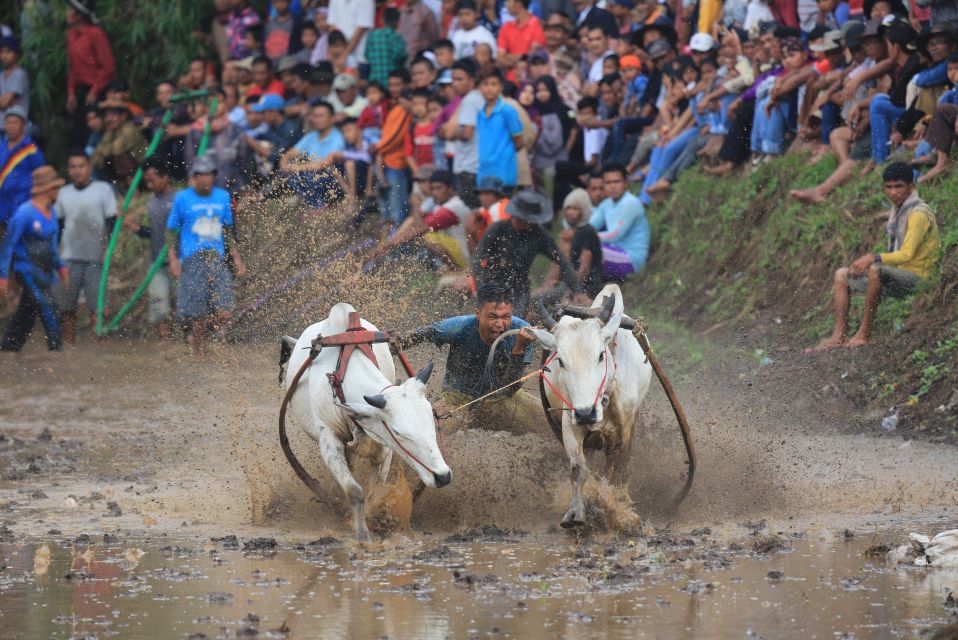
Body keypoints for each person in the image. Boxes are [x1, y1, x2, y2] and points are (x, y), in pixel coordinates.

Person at [391, 281, 548, 436]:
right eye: (493, 317)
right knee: (428, 435)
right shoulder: (458, 327)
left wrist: (518, 349)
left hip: (501, 400)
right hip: (457, 399)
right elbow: (418, 336)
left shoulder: (523, 334)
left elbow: (510, 389)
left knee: (552, 423)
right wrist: (391, 343)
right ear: (478, 314)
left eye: (505, 317)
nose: (500, 324)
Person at [814, 162, 940, 351]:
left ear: (911, 187)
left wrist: (874, 257)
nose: (893, 192)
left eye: (899, 186)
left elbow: (907, 254)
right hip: (898, 276)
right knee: (842, 274)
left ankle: (863, 333)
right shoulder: (898, 209)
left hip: (919, 278)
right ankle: (839, 336)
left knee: (875, 269)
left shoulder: (918, 213)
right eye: (888, 187)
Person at [165, 155, 247, 357]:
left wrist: (237, 259)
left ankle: (199, 337)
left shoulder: (223, 197)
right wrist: (173, 260)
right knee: (197, 313)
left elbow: (228, 231)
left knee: (225, 312)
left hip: (216, 257)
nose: (204, 179)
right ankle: (199, 353)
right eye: (200, 175)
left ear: (213, 176)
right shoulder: (183, 198)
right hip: (192, 258)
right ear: (194, 177)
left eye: (208, 175)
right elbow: (170, 231)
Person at [474, 189, 578, 316]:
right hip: (492, 282)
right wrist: (481, 288)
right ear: (518, 216)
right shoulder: (497, 230)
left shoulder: (538, 235)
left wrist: (578, 291)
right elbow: (477, 259)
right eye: (529, 220)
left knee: (515, 320)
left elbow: (563, 263)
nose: (532, 224)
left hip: (519, 288)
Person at [0, 166, 67, 352]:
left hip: (45, 271)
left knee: (26, 315)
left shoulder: (51, 213)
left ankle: (8, 350)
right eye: (56, 187)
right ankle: (57, 353)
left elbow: (51, 246)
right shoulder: (24, 213)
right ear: (47, 189)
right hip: (26, 270)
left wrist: (61, 267)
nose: (58, 191)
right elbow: (8, 245)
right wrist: (3, 276)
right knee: (50, 309)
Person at [54, 150, 117, 346]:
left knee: (99, 307)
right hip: (69, 257)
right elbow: (58, 225)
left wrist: (110, 248)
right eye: (73, 167)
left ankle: (99, 349)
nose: (77, 170)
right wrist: (55, 253)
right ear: (68, 170)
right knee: (67, 307)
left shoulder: (103, 190)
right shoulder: (63, 193)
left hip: (95, 257)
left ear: (89, 167)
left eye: (81, 166)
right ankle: (70, 350)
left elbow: (111, 222)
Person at [367, 169, 472, 268]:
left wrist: (386, 246)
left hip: (465, 255)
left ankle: (457, 270)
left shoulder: (453, 207)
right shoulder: (441, 204)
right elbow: (415, 220)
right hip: (459, 250)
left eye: (439, 188)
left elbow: (419, 229)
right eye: (433, 189)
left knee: (429, 236)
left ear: (450, 188)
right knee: (417, 226)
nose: (435, 192)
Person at [123, 161, 176, 338]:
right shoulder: (152, 202)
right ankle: (164, 345)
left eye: (153, 180)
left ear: (165, 178)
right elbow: (154, 233)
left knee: (185, 308)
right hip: (157, 262)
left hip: (179, 260)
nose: (149, 185)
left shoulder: (178, 200)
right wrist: (134, 227)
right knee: (159, 306)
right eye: (147, 181)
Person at [65, 0, 115, 147]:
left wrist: (95, 90)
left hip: (98, 90)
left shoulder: (96, 33)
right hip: (81, 90)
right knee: (79, 132)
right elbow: (73, 67)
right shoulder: (71, 34)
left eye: (70, 9)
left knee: (95, 132)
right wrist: (71, 92)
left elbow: (108, 67)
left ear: (79, 15)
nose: (67, 13)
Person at [280, 101, 347, 209]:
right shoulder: (311, 136)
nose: (317, 119)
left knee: (306, 174)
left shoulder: (338, 137)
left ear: (331, 118)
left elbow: (326, 163)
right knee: (290, 171)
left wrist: (296, 168)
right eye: (315, 116)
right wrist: (284, 164)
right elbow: (290, 154)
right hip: (311, 172)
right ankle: (310, 202)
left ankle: (319, 205)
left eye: (321, 116)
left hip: (332, 178)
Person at [589, 163, 649, 279]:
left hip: (631, 259)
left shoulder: (630, 203)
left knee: (587, 249)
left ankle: (576, 290)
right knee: (571, 245)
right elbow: (589, 227)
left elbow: (614, 236)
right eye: (608, 183)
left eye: (617, 182)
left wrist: (587, 236)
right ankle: (553, 285)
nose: (612, 186)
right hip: (613, 254)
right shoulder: (606, 204)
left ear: (626, 183)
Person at [476, 66, 524, 192]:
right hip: (483, 172)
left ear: (500, 87)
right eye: (485, 84)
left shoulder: (508, 111)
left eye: (493, 84)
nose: (489, 88)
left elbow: (519, 141)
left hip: (504, 173)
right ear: (480, 87)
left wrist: (504, 154)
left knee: (502, 210)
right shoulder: (480, 113)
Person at [0, 107, 44, 229]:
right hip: (2, 206)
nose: (11, 126)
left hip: (21, 206)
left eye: (15, 123)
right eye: (8, 122)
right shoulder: (1, 146)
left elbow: (41, 177)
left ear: (23, 125)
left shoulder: (31, 149)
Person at [91, 100, 147, 185]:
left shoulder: (129, 128)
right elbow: (95, 159)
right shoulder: (110, 133)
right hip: (127, 175)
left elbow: (116, 150)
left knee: (120, 158)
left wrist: (104, 151)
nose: (108, 119)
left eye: (113, 114)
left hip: (144, 169)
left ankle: (135, 192)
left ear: (123, 116)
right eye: (106, 115)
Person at [365, 7, 408, 87]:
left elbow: (367, 54)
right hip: (391, 82)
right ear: (398, 22)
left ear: (382, 20)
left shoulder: (373, 35)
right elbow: (402, 56)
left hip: (374, 82)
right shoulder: (397, 37)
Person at [0, 37, 29, 120]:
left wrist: (4, 100)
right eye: (1, 52)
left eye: (8, 52)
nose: (4, 56)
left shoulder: (19, 74)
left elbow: (4, 103)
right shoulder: (1, 75)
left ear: (17, 54)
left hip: (16, 126)